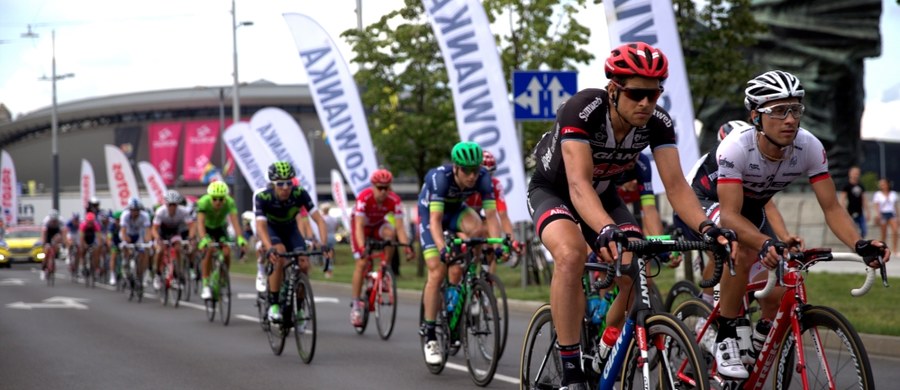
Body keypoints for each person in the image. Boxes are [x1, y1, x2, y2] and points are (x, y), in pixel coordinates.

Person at [527, 42, 735, 389]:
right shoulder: (583, 109)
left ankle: (606, 344)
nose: (646, 103)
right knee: (571, 253)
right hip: (555, 191)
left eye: (653, 95)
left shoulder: (658, 123)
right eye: (637, 94)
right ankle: (571, 372)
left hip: (604, 194)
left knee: (634, 263)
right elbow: (578, 185)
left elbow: (677, 186)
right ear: (613, 90)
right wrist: (606, 228)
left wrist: (707, 227)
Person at [713, 70, 890, 379]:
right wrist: (763, 242)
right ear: (755, 115)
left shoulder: (808, 146)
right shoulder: (736, 147)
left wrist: (860, 244)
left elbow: (832, 207)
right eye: (780, 110)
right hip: (712, 202)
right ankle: (725, 332)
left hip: (753, 206)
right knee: (740, 248)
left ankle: (761, 333)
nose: (791, 119)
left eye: (796, 109)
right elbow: (729, 216)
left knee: (782, 269)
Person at [419, 141, 502, 366]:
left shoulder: (483, 177)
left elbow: (492, 216)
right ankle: (430, 335)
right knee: (436, 272)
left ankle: (470, 276)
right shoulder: (440, 178)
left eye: (475, 169)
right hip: (432, 216)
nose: (472, 175)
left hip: (456, 211)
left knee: (478, 229)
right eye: (466, 170)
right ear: (456, 167)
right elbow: (435, 222)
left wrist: (497, 245)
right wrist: (443, 249)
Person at [255, 161, 331, 321]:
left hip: (290, 230)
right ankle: (274, 304)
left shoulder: (300, 194)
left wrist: (324, 244)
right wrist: (269, 247)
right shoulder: (263, 197)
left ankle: (300, 309)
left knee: (303, 263)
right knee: (279, 253)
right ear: (273, 184)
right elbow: (261, 226)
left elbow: (319, 220)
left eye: (289, 183)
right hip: (272, 230)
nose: (285, 187)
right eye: (280, 183)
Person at [349, 168, 414, 327]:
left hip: (378, 225)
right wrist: (363, 247)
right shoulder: (364, 197)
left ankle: (385, 269)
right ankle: (356, 305)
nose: (384, 192)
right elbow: (358, 225)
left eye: (387, 188)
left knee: (390, 235)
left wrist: (407, 246)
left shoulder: (394, 200)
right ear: (373, 186)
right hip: (361, 228)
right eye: (380, 187)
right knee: (362, 263)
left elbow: (400, 228)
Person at [465, 150, 522, 270]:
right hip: (464, 216)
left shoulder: (495, 185)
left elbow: (503, 217)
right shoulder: (466, 183)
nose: (487, 178)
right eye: (484, 174)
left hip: (481, 216)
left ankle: (487, 279)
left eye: (491, 174)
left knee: (491, 236)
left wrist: (510, 241)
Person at [197, 181, 247, 300]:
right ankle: (205, 285)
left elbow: (235, 222)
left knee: (226, 252)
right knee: (209, 250)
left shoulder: (230, 202)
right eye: (214, 199)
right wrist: (204, 239)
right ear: (210, 197)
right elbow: (200, 223)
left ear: (225, 198)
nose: (218, 202)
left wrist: (240, 238)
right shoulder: (203, 202)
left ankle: (224, 279)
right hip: (207, 228)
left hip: (220, 228)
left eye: (221, 199)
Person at [151, 190, 195, 288]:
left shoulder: (183, 211)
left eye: (174, 205)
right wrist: (158, 238)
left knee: (178, 249)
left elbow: (192, 226)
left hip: (175, 232)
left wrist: (191, 237)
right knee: (160, 250)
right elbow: (154, 229)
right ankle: (157, 274)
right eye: (170, 205)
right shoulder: (160, 212)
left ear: (177, 204)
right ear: (166, 204)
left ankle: (177, 274)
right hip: (162, 232)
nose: (172, 207)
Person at [119, 198, 152, 289]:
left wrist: (148, 241)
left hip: (138, 235)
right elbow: (123, 231)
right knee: (126, 247)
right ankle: (125, 264)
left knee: (142, 253)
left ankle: (140, 274)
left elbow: (147, 231)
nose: (134, 212)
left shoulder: (145, 216)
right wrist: (126, 239)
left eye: (136, 210)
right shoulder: (125, 215)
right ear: (129, 210)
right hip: (127, 234)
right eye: (132, 210)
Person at [841, 167, 869, 237]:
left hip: (860, 212)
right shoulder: (846, 186)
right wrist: (844, 211)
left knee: (864, 231)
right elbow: (843, 199)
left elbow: (864, 199)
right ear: (850, 174)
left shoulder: (861, 186)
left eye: (857, 173)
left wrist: (867, 211)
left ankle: (860, 244)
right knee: (852, 231)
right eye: (854, 173)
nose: (855, 175)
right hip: (850, 211)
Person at [872, 178, 898, 251]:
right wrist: (878, 215)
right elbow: (876, 206)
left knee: (895, 231)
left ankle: (895, 249)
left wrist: (898, 216)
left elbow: (895, 206)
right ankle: (882, 249)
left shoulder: (893, 194)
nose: (882, 186)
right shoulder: (878, 194)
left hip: (892, 213)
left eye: (884, 184)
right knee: (884, 233)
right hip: (883, 214)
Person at [40, 209, 64, 278]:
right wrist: (44, 243)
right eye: (53, 220)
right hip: (48, 233)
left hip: (56, 232)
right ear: (50, 219)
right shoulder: (46, 221)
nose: (54, 222)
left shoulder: (61, 220)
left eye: (55, 220)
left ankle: (54, 257)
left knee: (57, 241)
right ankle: (43, 268)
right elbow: (44, 233)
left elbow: (63, 232)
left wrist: (62, 242)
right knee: (46, 250)